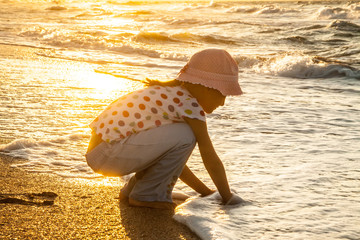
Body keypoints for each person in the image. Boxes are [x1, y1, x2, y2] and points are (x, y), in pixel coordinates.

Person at [85, 49, 245, 210]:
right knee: (187, 135)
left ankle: (133, 191)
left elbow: (173, 163)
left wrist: (206, 192)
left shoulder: (173, 95)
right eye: (223, 94)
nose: (223, 103)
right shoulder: (189, 104)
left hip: (103, 153)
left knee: (184, 136)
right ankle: (147, 195)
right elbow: (209, 156)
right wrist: (227, 197)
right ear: (207, 87)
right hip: (109, 153)